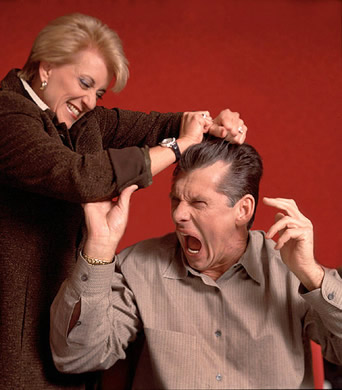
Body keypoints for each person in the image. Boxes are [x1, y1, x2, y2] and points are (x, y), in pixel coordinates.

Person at [0, 12, 248, 390]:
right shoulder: (6, 114)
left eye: (97, 93)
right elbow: (81, 176)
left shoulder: (83, 122)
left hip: (65, 329)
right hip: (13, 337)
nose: (88, 102)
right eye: (84, 83)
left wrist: (211, 123)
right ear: (46, 67)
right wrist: (178, 147)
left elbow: (157, 125)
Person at [50, 139, 342, 389]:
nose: (179, 215)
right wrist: (99, 248)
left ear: (243, 210)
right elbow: (75, 357)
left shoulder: (289, 271)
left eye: (198, 203)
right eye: (176, 200)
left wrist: (312, 275)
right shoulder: (139, 266)